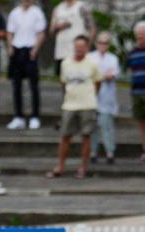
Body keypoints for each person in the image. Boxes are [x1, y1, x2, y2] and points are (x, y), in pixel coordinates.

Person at [46, 35, 100, 179]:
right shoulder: (66, 63)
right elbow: (63, 83)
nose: (79, 49)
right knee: (65, 136)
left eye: (82, 46)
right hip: (69, 104)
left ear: (87, 48)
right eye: (77, 46)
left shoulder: (92, 64)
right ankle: (60, 166)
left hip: (87, 104)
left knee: (86, 136)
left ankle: (83, 167)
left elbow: (97, 83)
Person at [6, 0, 46, 130]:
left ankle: (35, 117)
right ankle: (18, 117)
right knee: (16, 85)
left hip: (30, 51)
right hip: (17, 50)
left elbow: (41, 33)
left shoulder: (37, 13)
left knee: (33, 85)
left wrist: (35, 50)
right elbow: (10, 32)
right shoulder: (14, 13)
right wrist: (10, 47)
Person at [88, 31, 119, 164]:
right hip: (92, 96)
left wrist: (99, 76)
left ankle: (109, 151)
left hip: (107, 97)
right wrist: (103, 75)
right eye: (100, 42)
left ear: (108, 45)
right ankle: (93, 152)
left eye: (105, 43)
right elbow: (89, 75)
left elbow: (112, 75)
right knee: (92, 125)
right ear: (96, 43)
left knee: (107, 125)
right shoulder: (90, 57)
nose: (102, 45)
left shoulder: (113, 58)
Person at [49, 0, 95, 80]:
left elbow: (92, 28)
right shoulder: (58, 9)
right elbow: (51, 31)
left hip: (78, 52)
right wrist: (58, 27)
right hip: (61, 52)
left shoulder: (82, 7)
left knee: (80, 80)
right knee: (64, 79)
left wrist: (87, 47)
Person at [127, 21, 145, 163]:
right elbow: (132, 71)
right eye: (138, 36)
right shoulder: (132, 53)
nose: (140, 38)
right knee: (142, 123)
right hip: (137, 92)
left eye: (142, 35)